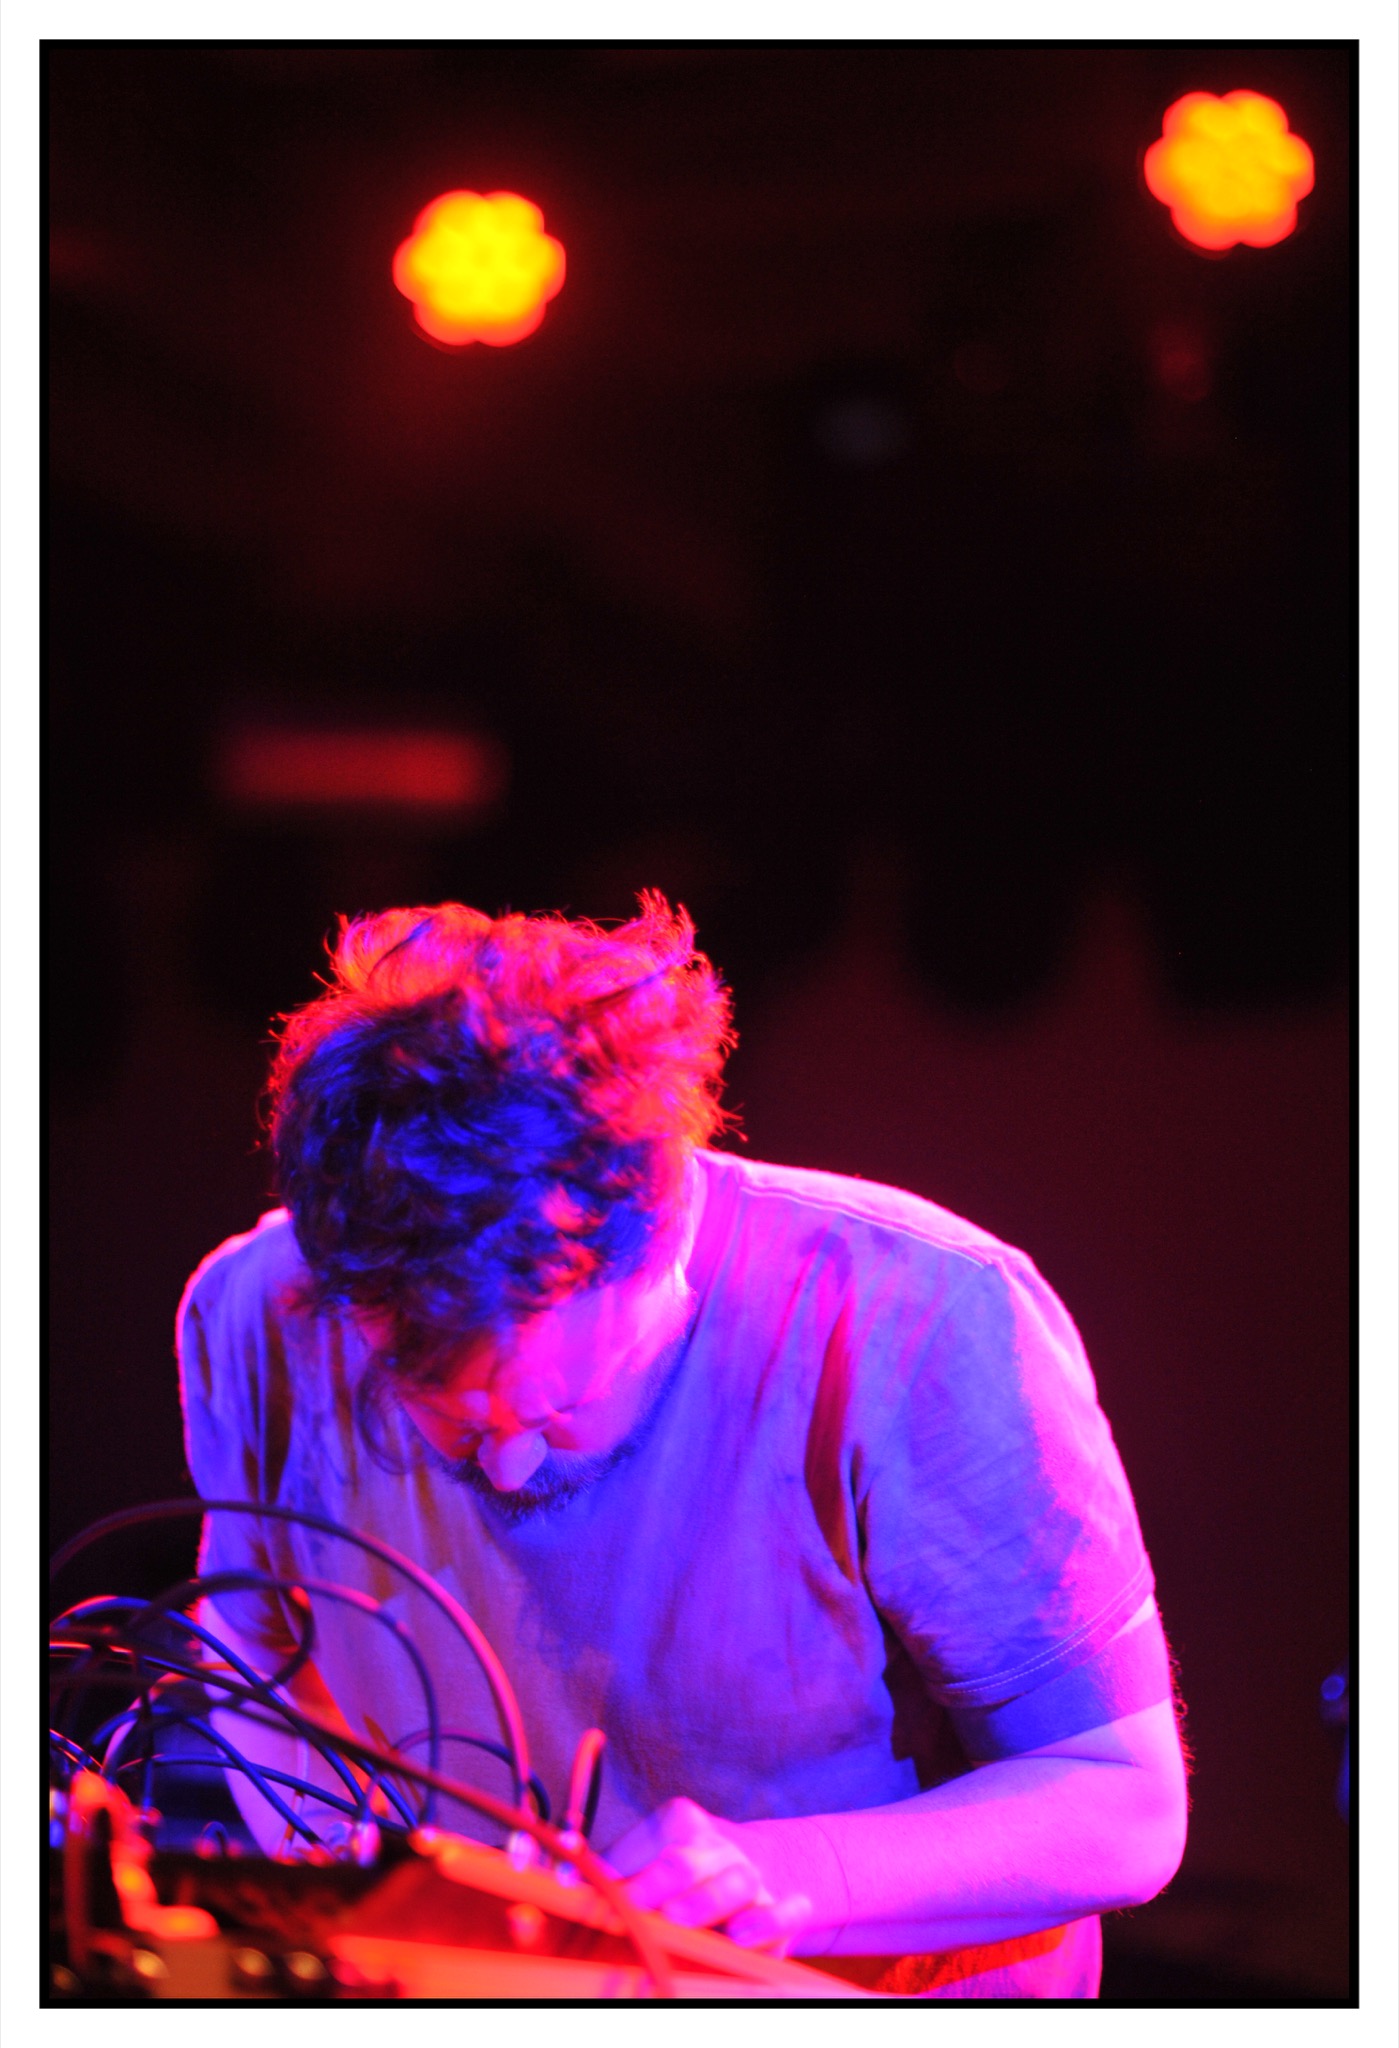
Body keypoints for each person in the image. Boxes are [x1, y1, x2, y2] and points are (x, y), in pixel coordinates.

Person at [178, 894, 1187, 1998]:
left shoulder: (919, 1315)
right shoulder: (259, 1313)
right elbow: (252, 1654)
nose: (511, 1472)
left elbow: (1120, 1803)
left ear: (661, 1219)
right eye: (449, 1422)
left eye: (557, 1409)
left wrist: (787, 1874)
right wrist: (346, 1891)